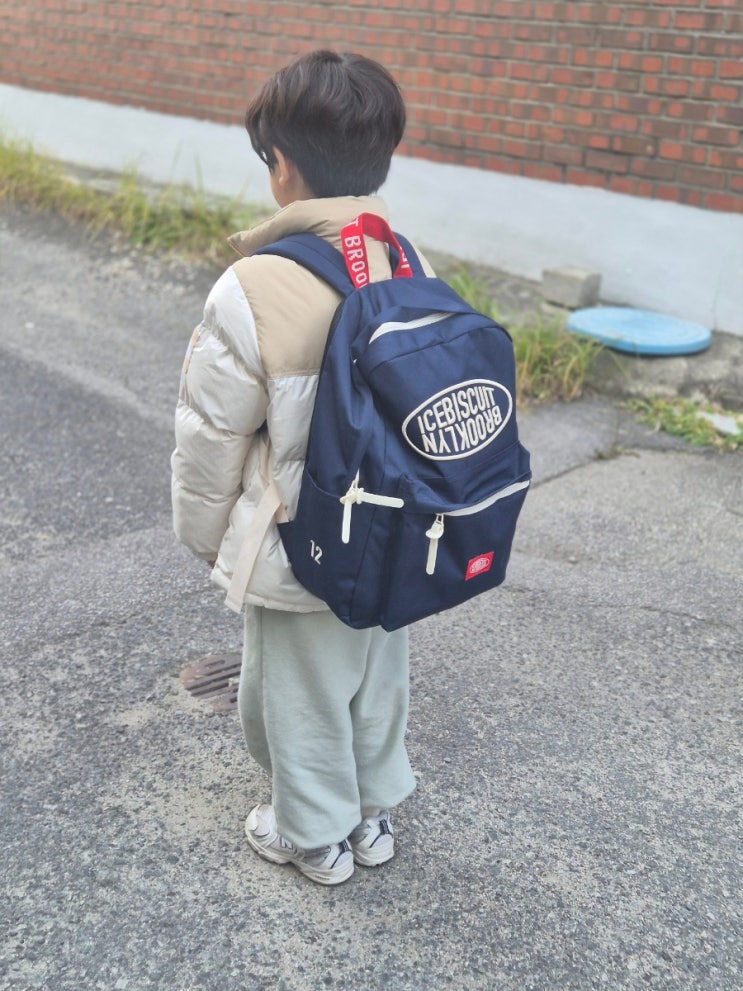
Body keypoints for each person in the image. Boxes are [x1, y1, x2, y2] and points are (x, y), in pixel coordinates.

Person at [172, 49, 435, 885]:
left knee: (294, 692)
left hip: (302, 537)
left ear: (281, 166)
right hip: (395, 535)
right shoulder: (409, 260)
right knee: (375, 675)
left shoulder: (252, 285)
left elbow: (211, 433)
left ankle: (309, 834)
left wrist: (205, 535)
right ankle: (371, 814)